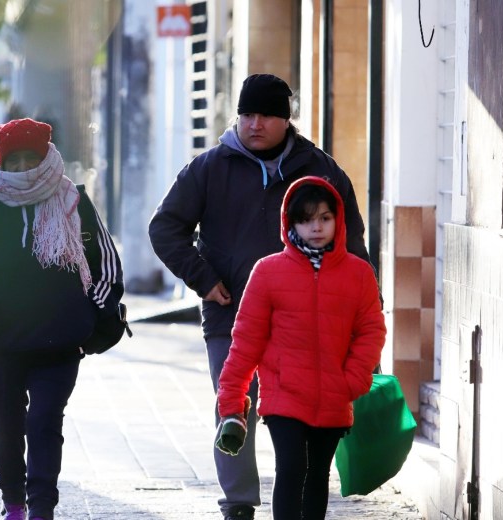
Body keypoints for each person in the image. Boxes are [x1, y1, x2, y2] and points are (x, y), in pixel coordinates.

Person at [148, 73, 373, 520]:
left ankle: (299, 498)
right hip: (230, 313)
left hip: (307, 322)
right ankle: (238, 503)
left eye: (267, 115)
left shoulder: (321, 169)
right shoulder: (208, 168)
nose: (255, 123)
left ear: (285, 120)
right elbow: (164, 228)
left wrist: (359, 312)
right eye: (247, 114)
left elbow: (353, 244)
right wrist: (204, 279)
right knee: (234, 407)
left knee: (303, 418)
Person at [0, 118, 123, 520]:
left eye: (29, 158)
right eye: (12, 160)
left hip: (60, 343)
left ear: (45, 157)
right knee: (5, 428)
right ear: (1, 163)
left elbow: (105, 265)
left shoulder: (73, 200)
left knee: (45, 423)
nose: (22, 168)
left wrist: (94, 317)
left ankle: (41, 509)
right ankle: (13, 503)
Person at [213, 176, 386, 519]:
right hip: (284, 395)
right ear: (290, 223)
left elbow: (371, 331)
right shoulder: (268, 271)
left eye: (324, 217)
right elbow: (246, 339)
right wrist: (231, 400)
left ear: (338, 218)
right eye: (306, 219)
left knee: (318, 475)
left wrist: (352, 380)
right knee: (291, 468)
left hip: (335, 394)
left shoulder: (359, 274)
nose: (316, 227)